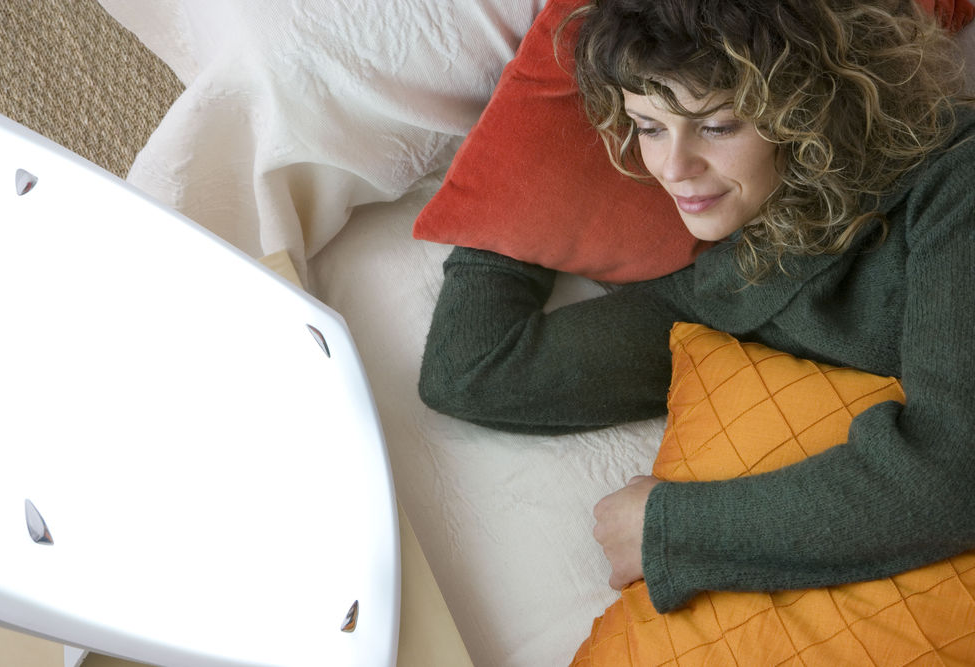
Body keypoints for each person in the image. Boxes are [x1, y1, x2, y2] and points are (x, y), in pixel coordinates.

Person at [418, 0, 975, 615]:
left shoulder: (957, 183)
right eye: (649, 127)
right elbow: (475, 372)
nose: (674, 169)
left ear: (815, 105)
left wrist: (669, 528)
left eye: (718, 126)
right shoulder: (728, 278)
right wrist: (507, 202)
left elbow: (956, 473)